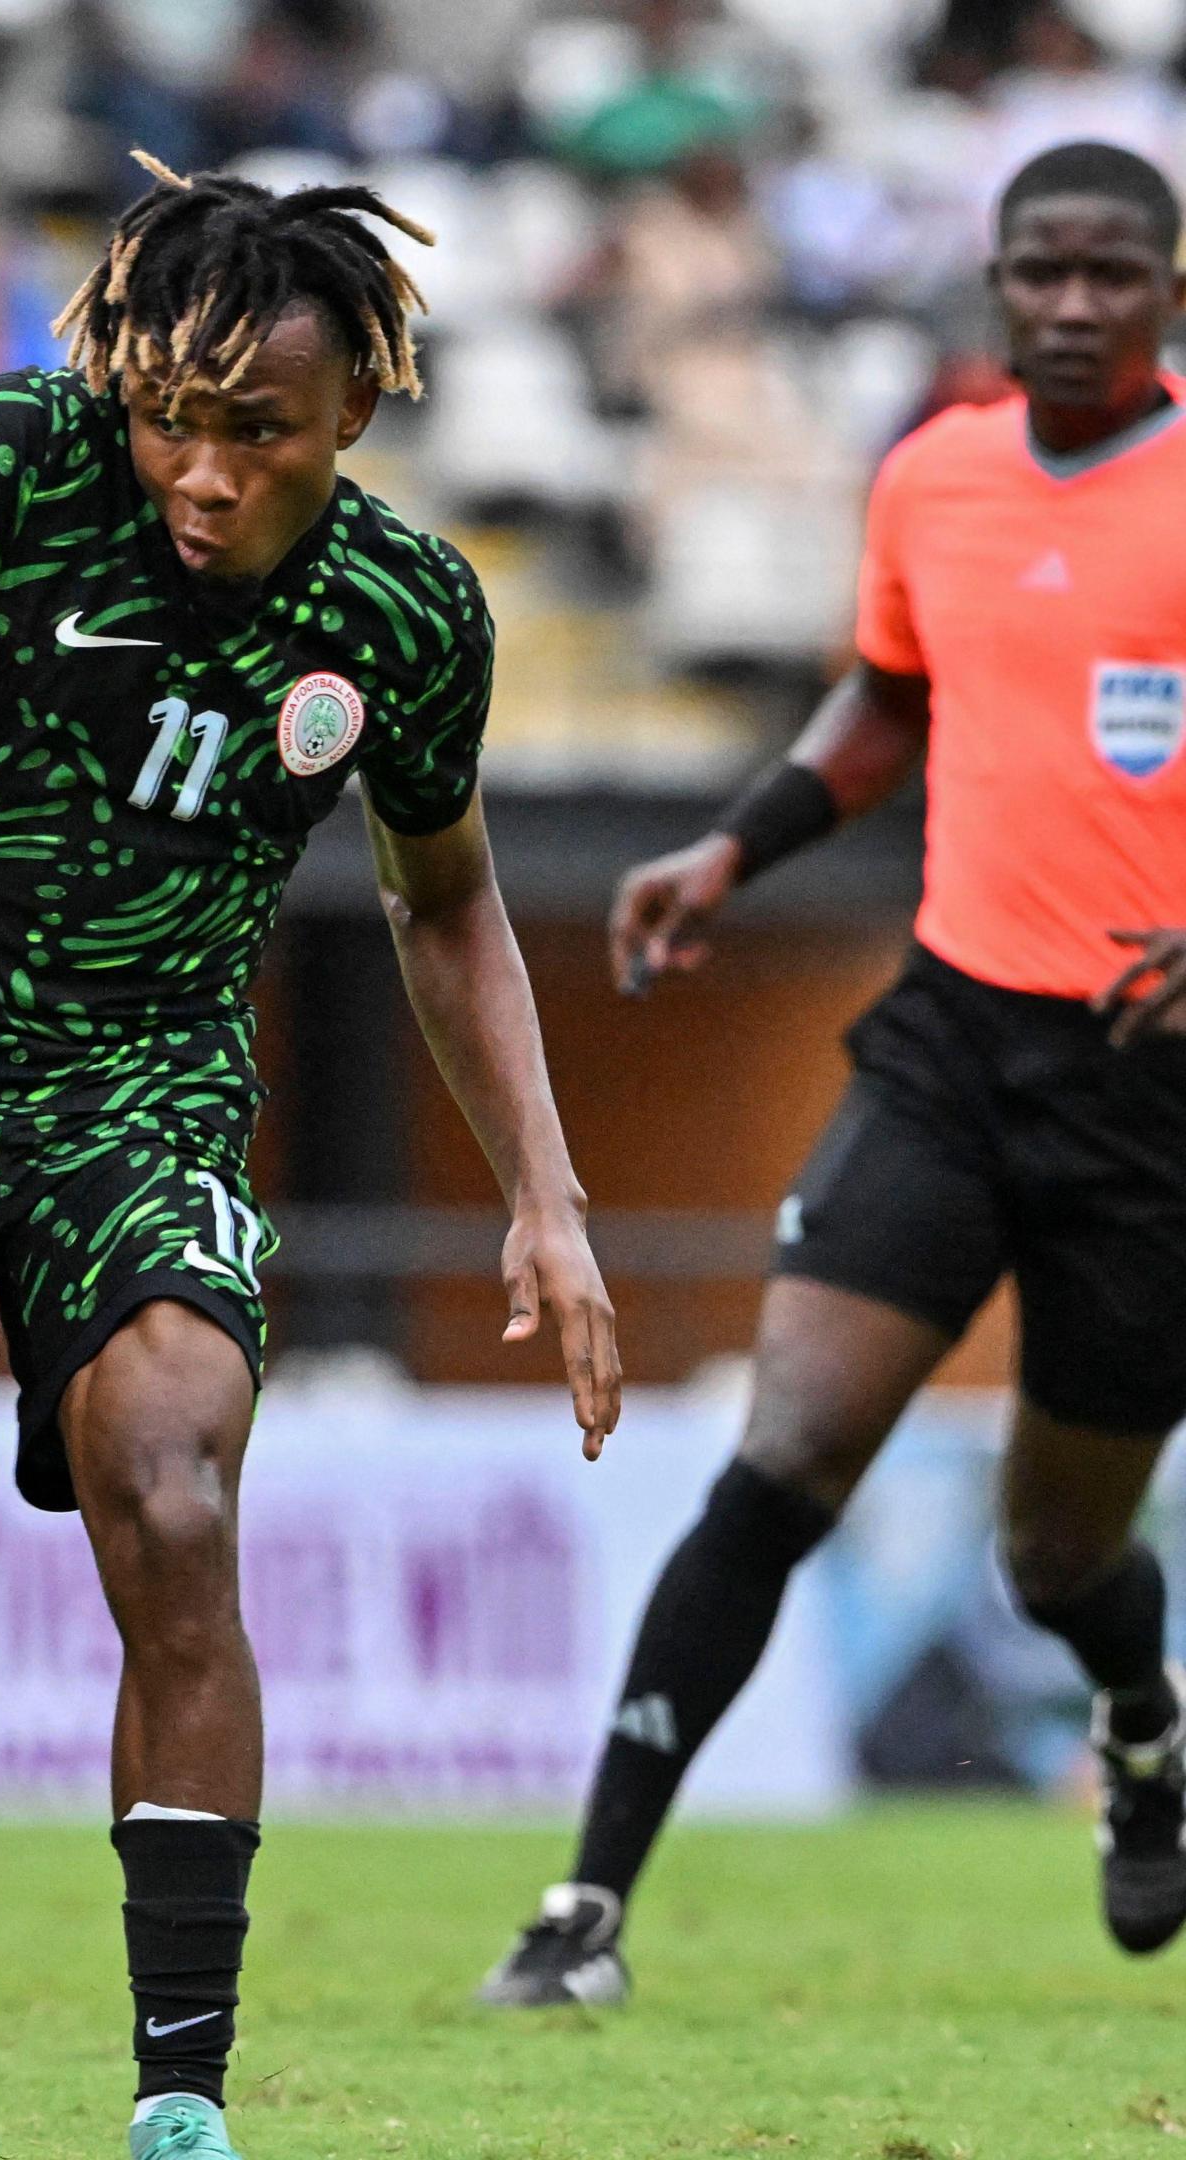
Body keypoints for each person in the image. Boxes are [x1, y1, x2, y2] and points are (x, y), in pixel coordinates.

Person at [0, 158, 625, 2160]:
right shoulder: (9, 460)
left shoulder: (407, 619)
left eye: (257, 431)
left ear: (357, 411)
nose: (200, 469)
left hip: (139, 1100)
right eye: (172, 415)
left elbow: (446, 910)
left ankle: (182, 2103)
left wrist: (550, 1193)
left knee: (169, 1491)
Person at [484, 137, 1186, 2012]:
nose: (1067, 303)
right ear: (998, 280)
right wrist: (733, 847)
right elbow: (890, 696)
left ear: (1170, 291)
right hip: (955, 1040)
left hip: (1152, 1100)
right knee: (785, 1454)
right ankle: (584, 1914)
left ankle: (1138, 1719)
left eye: (1110, 272)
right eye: (1039, 269)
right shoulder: (935, 475)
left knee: (1058, 1552)